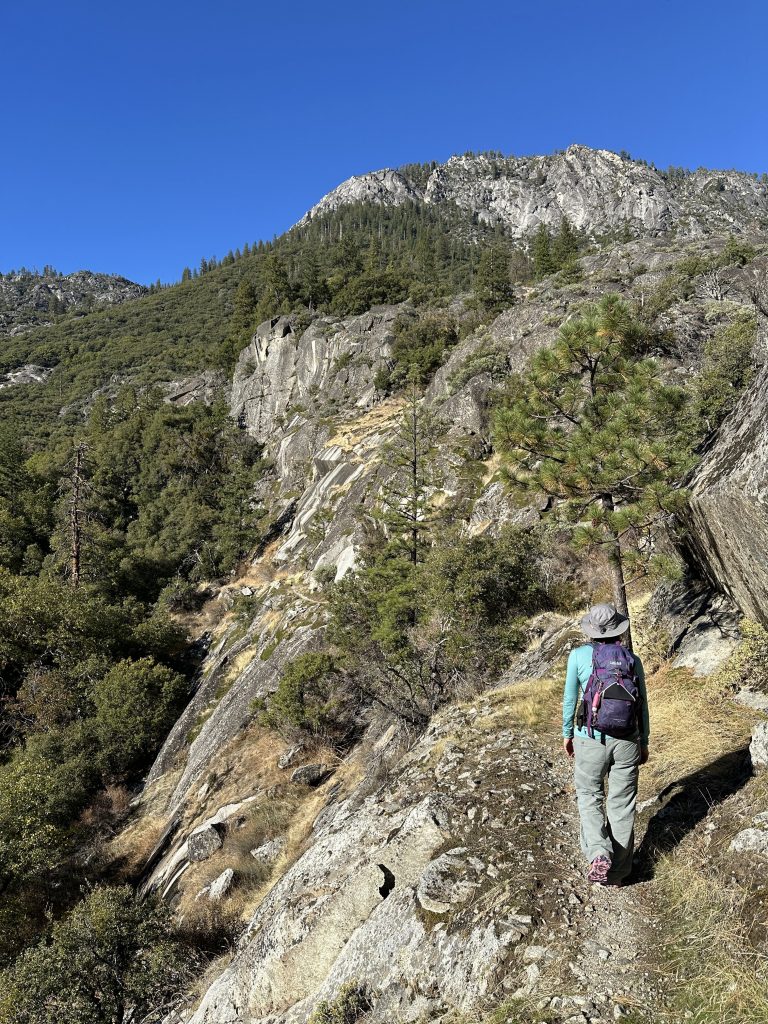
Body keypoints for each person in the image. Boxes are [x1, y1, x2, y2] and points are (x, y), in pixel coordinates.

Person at [562, 603, 650, 886]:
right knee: (622, 805)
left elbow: (570, 700)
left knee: (589, 796)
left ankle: (599, 852)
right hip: (628, 740)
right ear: (618, 631)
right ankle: (619, 873)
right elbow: (643, 706)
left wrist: (568, 733)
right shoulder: (632, 660)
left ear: (591, 631)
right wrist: (644, 740)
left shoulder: (578, 656)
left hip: (590, 737)